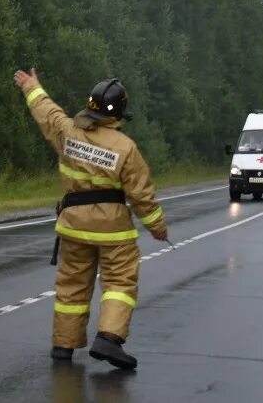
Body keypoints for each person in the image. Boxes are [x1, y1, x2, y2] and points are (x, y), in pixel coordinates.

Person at [13, 68, 168, 371]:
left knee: (71, 287)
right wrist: (158, 228)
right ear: (121, 110)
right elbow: (142, 196)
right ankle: (109, 338)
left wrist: (31, 85)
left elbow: (47, 112)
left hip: (73, 226)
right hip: (113, 231)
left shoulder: (68, 131)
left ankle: (63, 345)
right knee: (119, 282)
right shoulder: (126, 149)